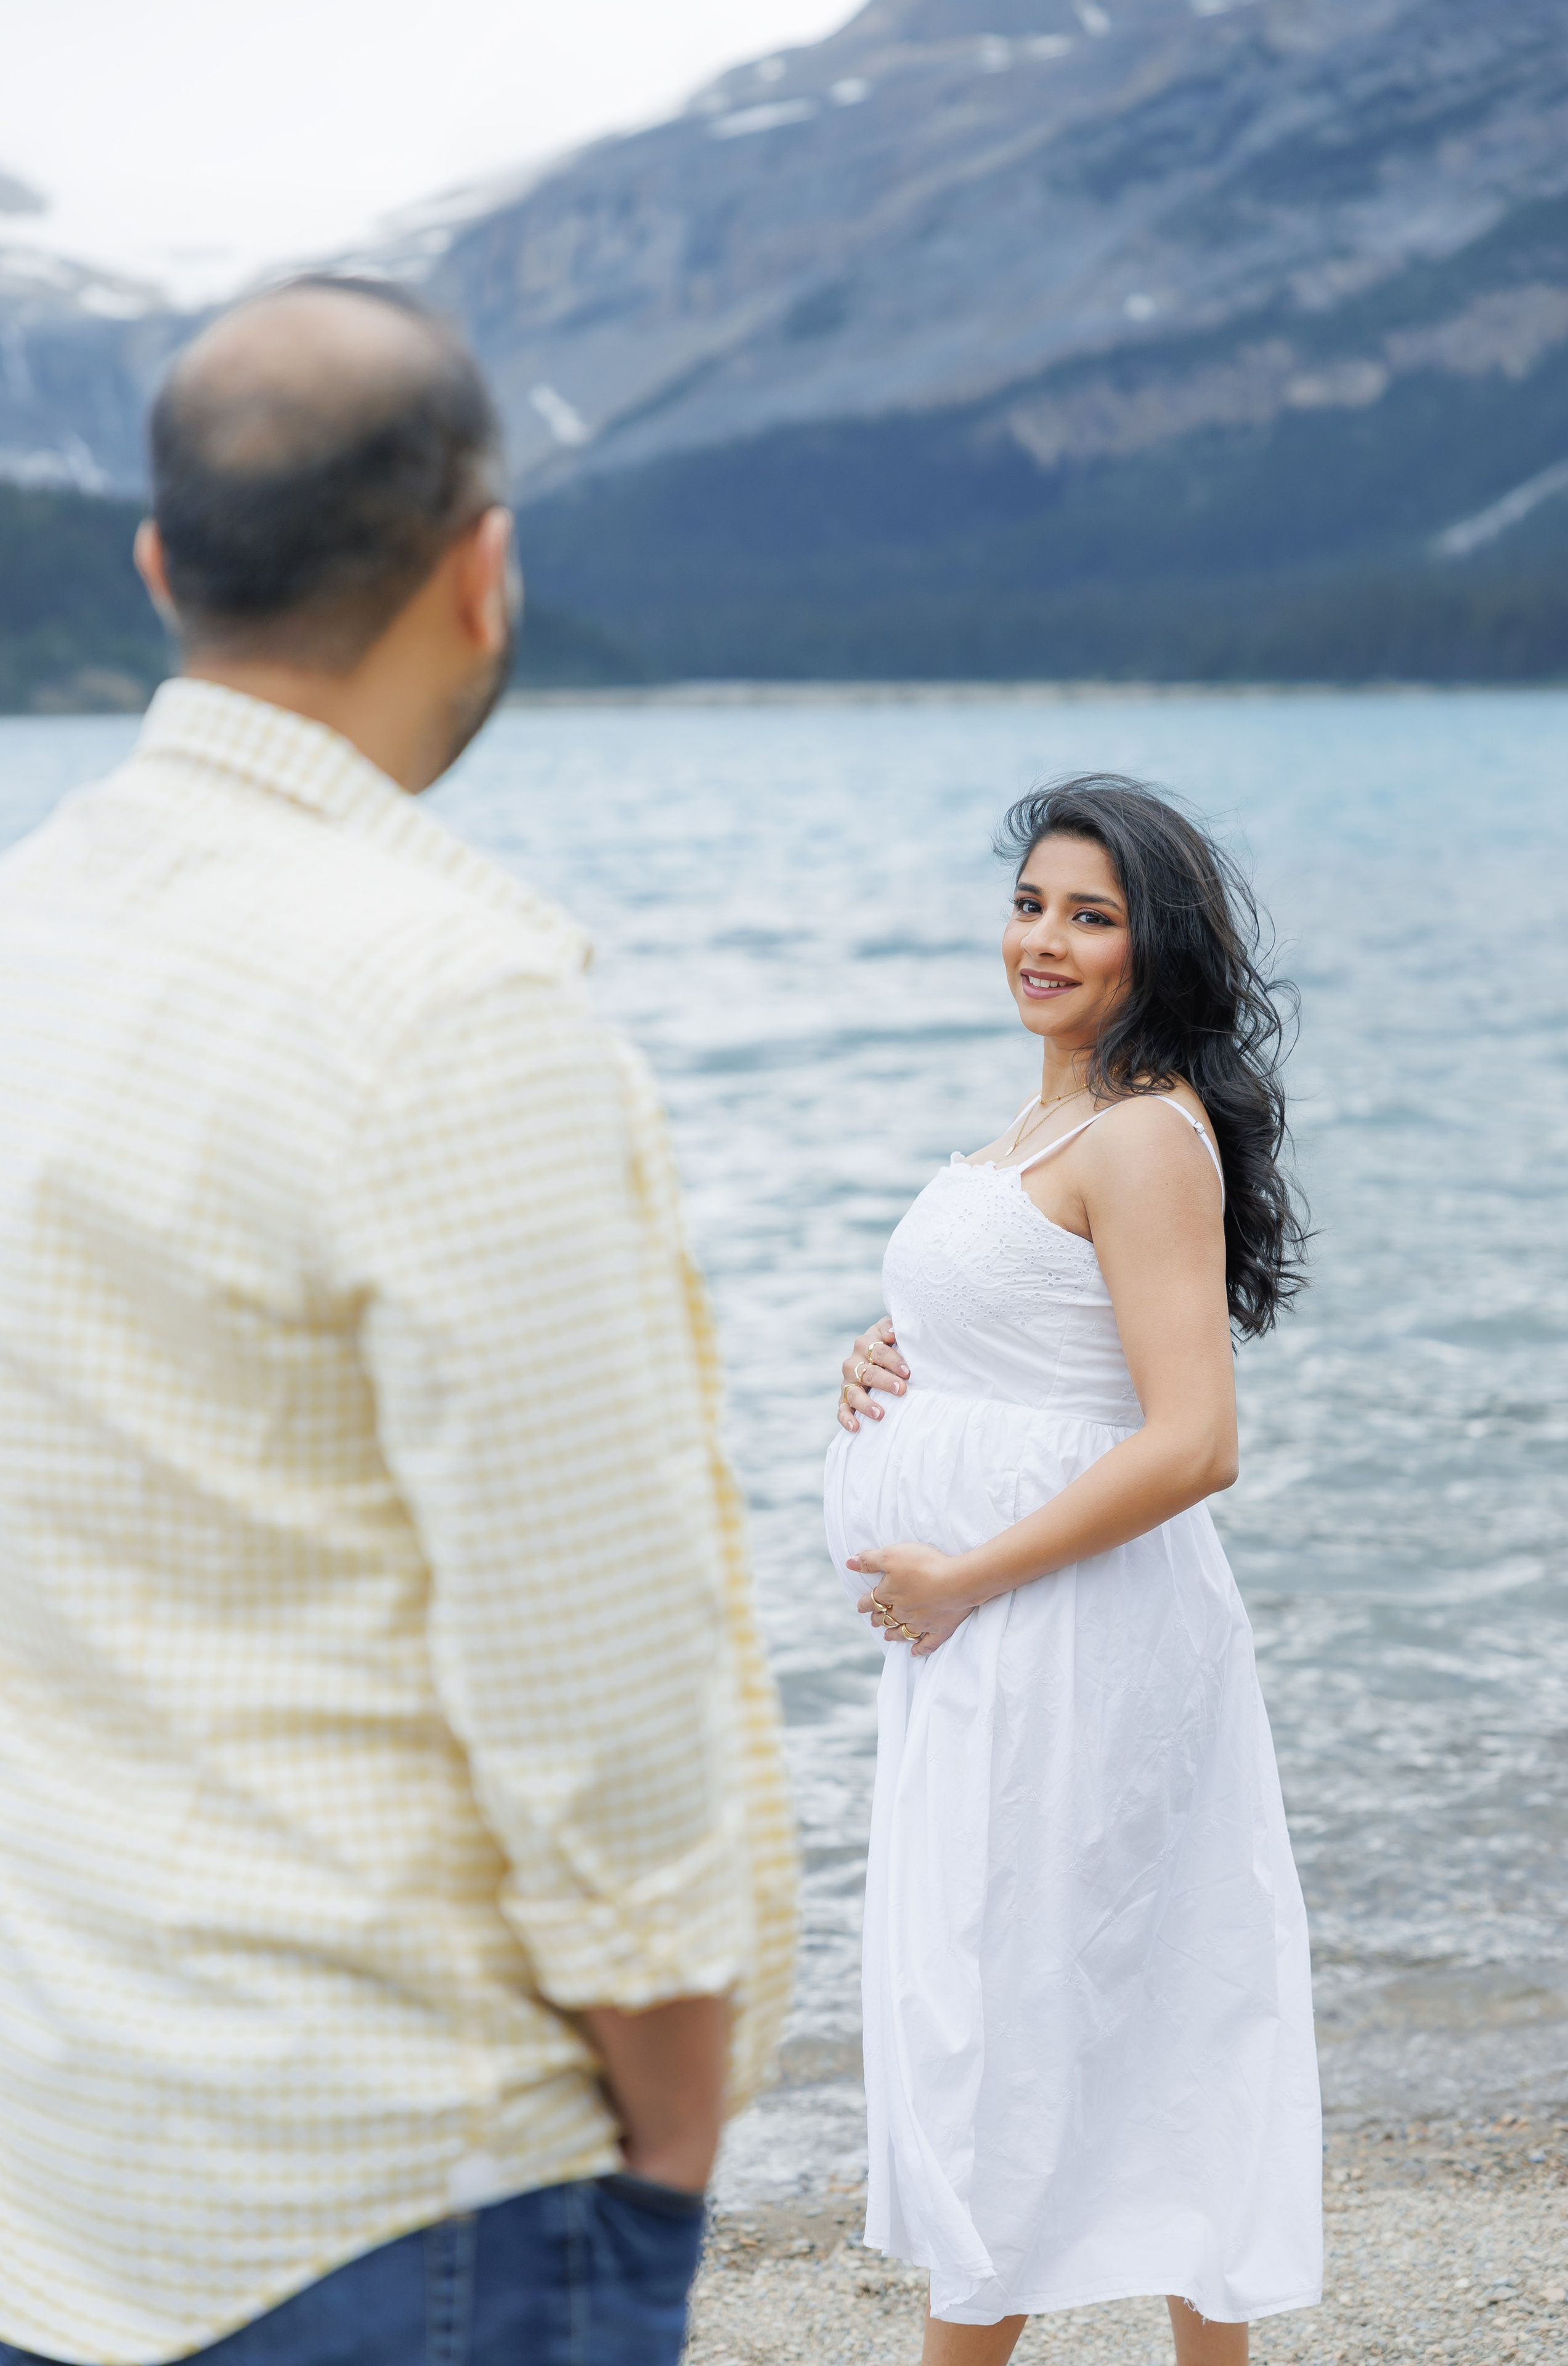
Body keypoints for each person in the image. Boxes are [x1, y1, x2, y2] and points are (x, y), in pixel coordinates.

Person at [0, 277, 797, 2366]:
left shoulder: (27, 938)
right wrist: (671, 2139)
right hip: (398, 2187)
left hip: (66, 2165)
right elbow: (598, 1697)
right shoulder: (449, 1013)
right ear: (483, 564)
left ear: (165, 564)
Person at [824, 778, 1322, 2365]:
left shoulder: (1145, 1135)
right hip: (993, 1646)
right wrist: (887, 1360)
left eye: (1088, 916)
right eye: (1032, 903)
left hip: (1073, 1638)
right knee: (1028, 2003)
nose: (1043, 940)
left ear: (1152, 947)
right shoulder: (1050, 1120)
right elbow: (1035, 1346)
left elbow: (1193, 1442)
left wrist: (965, 1573)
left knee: (1075, 2005)